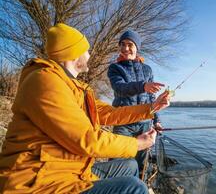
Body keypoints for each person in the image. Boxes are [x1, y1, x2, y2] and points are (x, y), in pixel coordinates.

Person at [0, 23, 170, 194]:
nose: (89, 54)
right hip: (40, 182)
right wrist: (137, 144)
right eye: (86, 50)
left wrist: (152, 108)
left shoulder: (72, 86)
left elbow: (112, 114)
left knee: (131, 165)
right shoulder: (45, 82)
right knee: (136, 187)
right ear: (73, 54)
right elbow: (87, 139)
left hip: (71, 171)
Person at [107, 30, 165, 171]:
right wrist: (143, 86)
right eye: (123, 44)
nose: (126, 48)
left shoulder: (148, 70)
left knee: (140, 164)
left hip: (145, 124)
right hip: (123, 122)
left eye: (130, 44)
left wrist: (157, 119)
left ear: (136, 47)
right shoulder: (115, 68)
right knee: (118, 161)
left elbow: (151, 98)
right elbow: (120, 88)